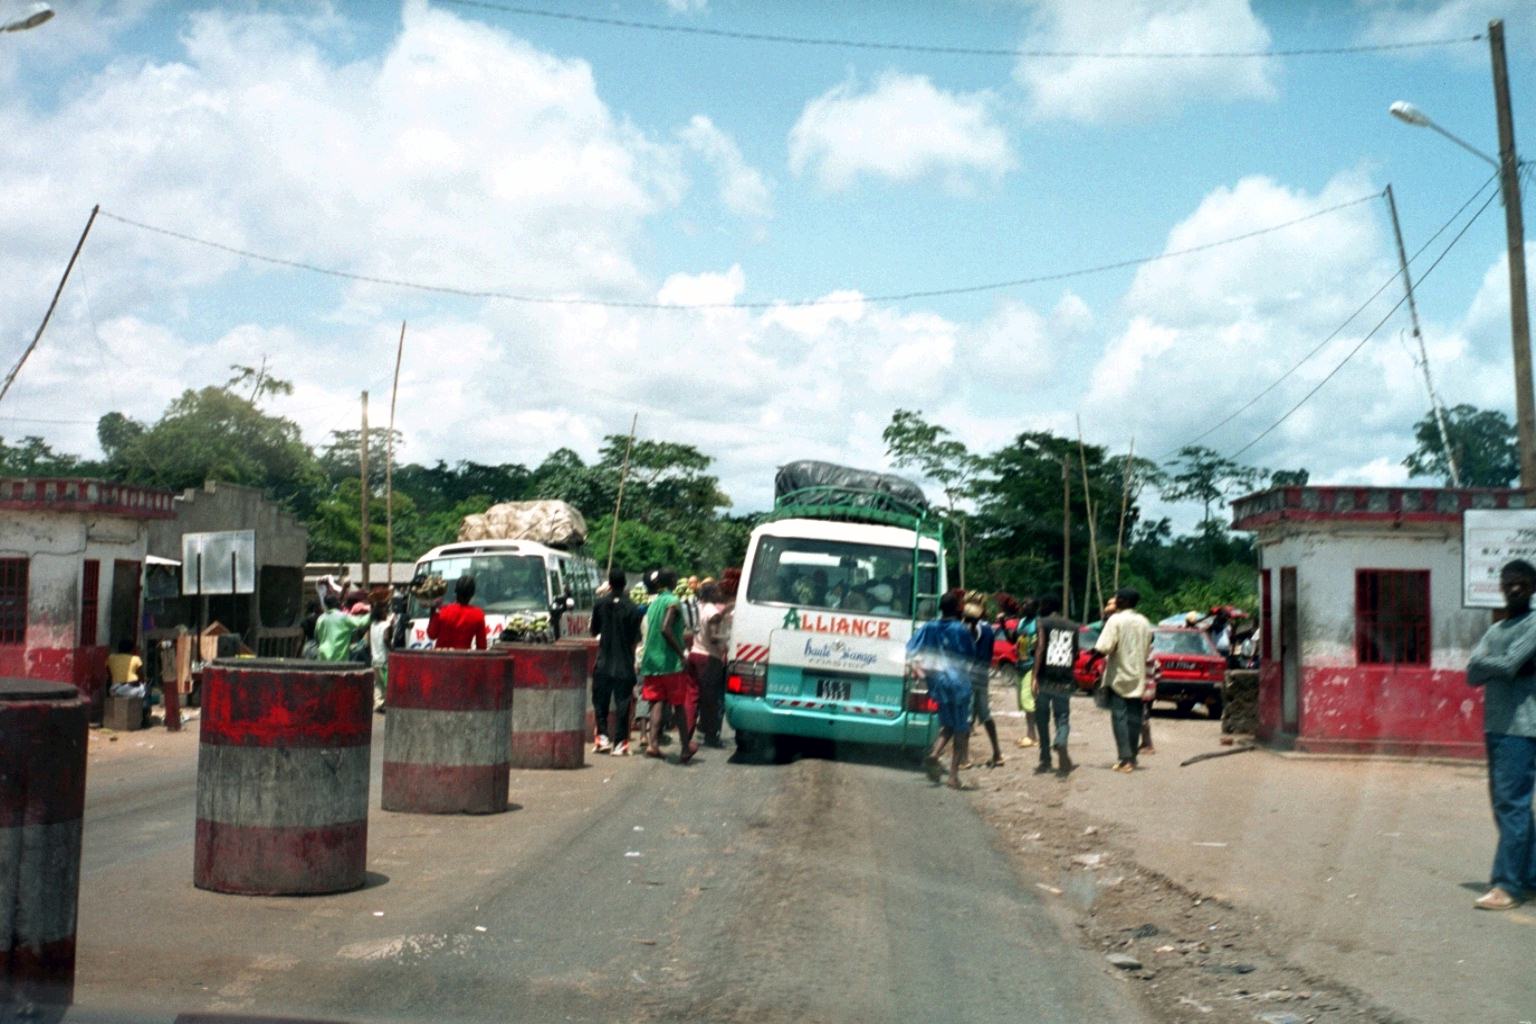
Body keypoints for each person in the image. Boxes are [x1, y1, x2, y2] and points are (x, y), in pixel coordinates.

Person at [1465, 558, 1536, 911]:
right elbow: (1471, 673)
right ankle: (1530, 877)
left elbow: (1507, 665)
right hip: (1495, 726)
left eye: (1521, 582)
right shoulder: (1496, 630)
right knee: (1508, 806)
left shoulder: (1534, 624)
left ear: (1533, 587)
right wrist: (1502, 664)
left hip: (1521, 729)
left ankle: (1507, 886)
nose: (1514, 588)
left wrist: (1495, 664)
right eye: (1508, 582)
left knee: (1512, 806)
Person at [909, 591, 977, 790]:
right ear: (958, 608)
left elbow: (911, 648)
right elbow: (971, 656)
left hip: (937, 683)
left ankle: (935, 753)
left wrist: (918, 668)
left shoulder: (929, 626)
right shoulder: (960, 629)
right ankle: (953, 776)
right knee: (961, 730)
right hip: (958, 683)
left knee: (947, 725)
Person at [1088, 587, 1152, 774]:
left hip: (1119, 677)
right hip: (1138, 677)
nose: (1115, 601)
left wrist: (1090, 661)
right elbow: (1149, 643)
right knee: (1134, 719)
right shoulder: (1144, 622)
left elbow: (1104, 647)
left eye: (1117, 599)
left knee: (1119, 719)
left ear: (1123, 601)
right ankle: (1132, 756)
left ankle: (1125, 759)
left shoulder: (1115, 620)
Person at [640, 569, 697, 763]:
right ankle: (685, 747)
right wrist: (681, 654)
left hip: (651, 661)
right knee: (678, 704)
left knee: (657, 702)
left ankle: (653, 744)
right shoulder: (672, 601)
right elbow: (666, 629)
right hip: (670, 662)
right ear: (672, 580)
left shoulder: (654, 603)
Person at [591, 568, 644, 756]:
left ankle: (602, 737)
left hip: (604, 661)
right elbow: (635, 639)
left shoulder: (600, 604)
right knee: (623, 703)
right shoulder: (633, 608)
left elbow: (594, 630)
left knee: (600, 701)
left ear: (610, 584)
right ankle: (620, 742)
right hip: (624, 663)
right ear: (625, 584)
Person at [1031, 594, 1078, 775]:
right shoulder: (1073, 626)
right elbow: (1075, 653)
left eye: (1042, 604)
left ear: (1047, 605)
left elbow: (1041, 648)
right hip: (1064, 680)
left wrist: (1034, 676)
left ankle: (1045, 759)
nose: (1039, 608)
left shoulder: (1042, 623)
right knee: (1062, 717)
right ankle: (1061, 741)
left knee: (1042, 719)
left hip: (1045, 678)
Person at [962, 593, 1004, 767]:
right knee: (986, 715)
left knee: (966, 717)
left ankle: (964, 758)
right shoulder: (989, 630)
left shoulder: (968, 628)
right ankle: (997, 753)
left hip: (969, 674)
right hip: (983, 675)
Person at [691, 580, 731, 748]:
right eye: (716, 590)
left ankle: (692, 730)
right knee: (710, 700)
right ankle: (711, 736)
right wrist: (730, 637)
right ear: (711, 593)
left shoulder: (699, 608)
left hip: (695, 652)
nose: (719, 593)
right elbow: (714, 637)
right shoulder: (712, 611)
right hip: (709, 657)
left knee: (695, 697)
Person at [427, 574, 488, 651]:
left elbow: (432, 635)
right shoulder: (478, 615)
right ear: (472, 594)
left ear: (455, 591)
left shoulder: (442, 611)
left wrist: (432, 609)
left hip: (442, 657)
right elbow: (482, 646)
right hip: (463, 657)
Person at [315, 594, 371, 662]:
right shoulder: (343, 617)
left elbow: (317, 638)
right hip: (339, 657)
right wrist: (373, 614)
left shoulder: (320, 619)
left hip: (323, 657)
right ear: (337, 603)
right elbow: (360, 622)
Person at [1015, 597, 1039, 749]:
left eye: (1027, 604)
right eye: (1023, 604)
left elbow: (1039, 647)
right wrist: (1003, 624)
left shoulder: (1037, 623)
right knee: (1022, 702)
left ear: (1035, 608)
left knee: (1027, 699)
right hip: (1021, 664)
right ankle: (1029, 733)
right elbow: (1013, 639)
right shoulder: (1022, 622)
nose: (1024, 606)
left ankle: (1032, 736)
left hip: (1032, 665)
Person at [368, 600, 393, 713]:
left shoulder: (372, 625)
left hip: (375, 659)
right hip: (384, 659)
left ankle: (378, 703)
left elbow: (369, 642)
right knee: (388, 683)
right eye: (386, 611)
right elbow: (386, 639)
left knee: (378, 683)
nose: (387, 612)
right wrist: (393, 650)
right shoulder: (386, 625)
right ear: (382, 613)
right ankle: (388, 704)